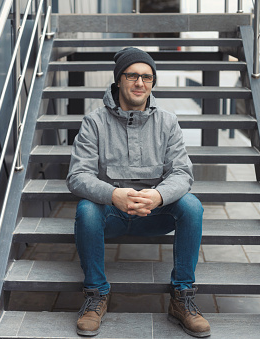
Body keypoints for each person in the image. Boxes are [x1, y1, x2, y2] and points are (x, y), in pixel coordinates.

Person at [66, 47, 211, 338]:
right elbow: (77, 176)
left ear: (153, 82)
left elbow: (182, 173)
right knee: (86, 210)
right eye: (132, 75)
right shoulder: (94, 122)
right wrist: (113, 195)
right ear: (119, 80)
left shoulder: (167, 122)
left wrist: (158, 196)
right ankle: (96, 294)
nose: (140, 83)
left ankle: (182, 297)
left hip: (155, 212)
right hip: (112, 215)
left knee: (192, 207)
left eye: (147, 77)